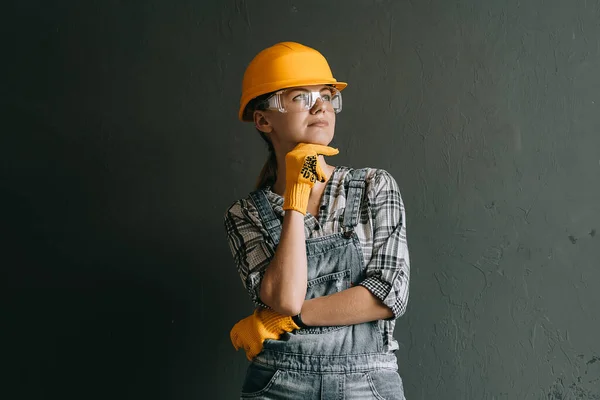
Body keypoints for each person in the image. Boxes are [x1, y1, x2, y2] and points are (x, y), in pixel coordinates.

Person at [224, 41, 410, 399]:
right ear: (264, 120)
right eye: (300, 97)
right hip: (279, 383)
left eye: (326, 95)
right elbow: (286, 297)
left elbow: (387, 297)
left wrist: (283, 321)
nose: (321, 105)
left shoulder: (374, 186)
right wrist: (295, 198)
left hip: (367, 383)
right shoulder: (244, 214)